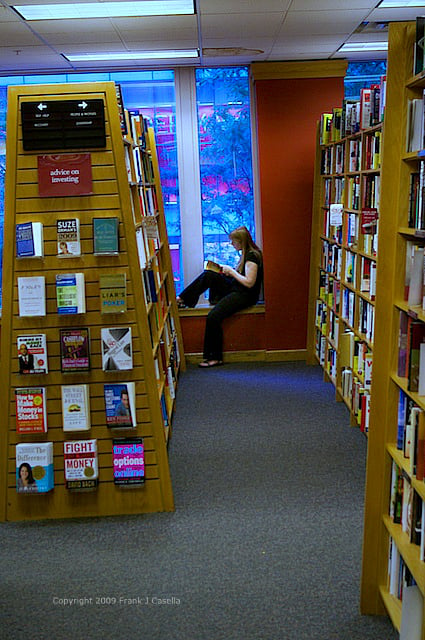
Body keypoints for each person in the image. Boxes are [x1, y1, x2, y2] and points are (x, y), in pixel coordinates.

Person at [176, 226, 263, 368]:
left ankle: (214, 357)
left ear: (241, 242)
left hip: (244, 295)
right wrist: (227, 272)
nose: (231, 244)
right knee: (209, 274)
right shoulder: (245, 254)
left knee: (213, 317)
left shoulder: (252, 256)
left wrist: (232, 272)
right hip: (237, 288)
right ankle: (183, 299)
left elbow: (249, 282)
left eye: (233, 242)